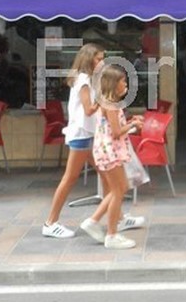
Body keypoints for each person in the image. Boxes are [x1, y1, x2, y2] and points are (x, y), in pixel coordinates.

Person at [41, 43, 103, 239]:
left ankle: (116, 216)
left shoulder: (86, 79)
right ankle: (50, 223)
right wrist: (105, 97)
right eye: (99, 59)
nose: (102, 62)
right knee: (70, 179)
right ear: (89, 60)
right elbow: (89, 109)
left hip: (86, 134)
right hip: (82, 135)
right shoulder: (84, 80)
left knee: (107, 175)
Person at [79, 63, 143, 250]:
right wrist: (133, 125)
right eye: (123, 82)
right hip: (111, 151)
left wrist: (130, 122)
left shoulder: (104, 100)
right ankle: (112, 234)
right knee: (118, 192)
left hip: (106, 150)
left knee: (119, 189)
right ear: (114, 84)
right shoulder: (112, 105)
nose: (126, 86)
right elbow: (116, 132)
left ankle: (93, 221)